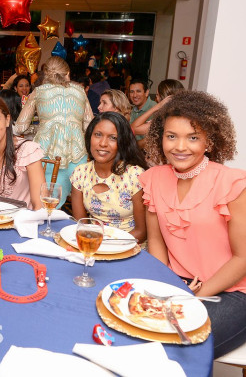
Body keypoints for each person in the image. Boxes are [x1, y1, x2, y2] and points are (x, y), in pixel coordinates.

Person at [139, 90, 246, 358]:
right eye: (171, 136)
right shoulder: (153, 178)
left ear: (209, 141)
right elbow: (156, 241)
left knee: (179, 348)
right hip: (179, 283)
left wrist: (192, 296)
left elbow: (243, 258)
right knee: (134, 330)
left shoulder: (231, 183)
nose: (180, 146)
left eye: (193, 137)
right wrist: (167, 287)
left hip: (233, 292)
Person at [16, 56, 94, 207]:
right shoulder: (80, 91)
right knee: (66, 198)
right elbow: (89, 125)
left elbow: (20, 127)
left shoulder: (39, 92)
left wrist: (41, 126)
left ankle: (45, 216)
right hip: (77, 157)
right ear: (67, 73)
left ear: (46, 74)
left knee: (42, 198)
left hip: (46, 155)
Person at [70, 112, 147, 243]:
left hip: (128, 246)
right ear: (89, 137)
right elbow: (81, 225)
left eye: (113, 138)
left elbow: (142, 232)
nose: (103, 143)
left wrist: (106, 246)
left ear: (122, 142)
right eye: (98, 135)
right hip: (93, 244)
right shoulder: (80, 173)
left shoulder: (135, 175)